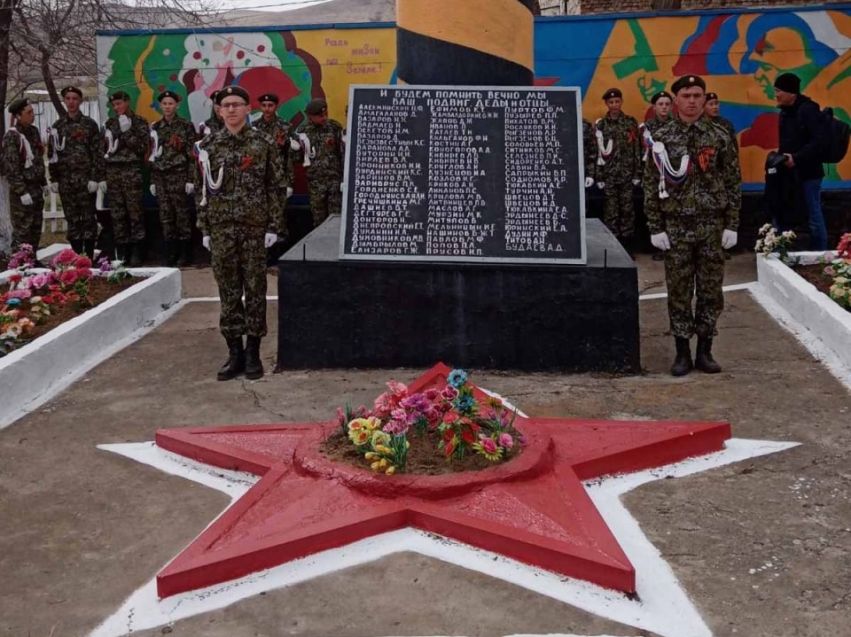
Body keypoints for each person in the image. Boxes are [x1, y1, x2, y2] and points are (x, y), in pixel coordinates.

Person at [643, 75, 741, 376]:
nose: (693, 100)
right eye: (686, 95)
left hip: (712, 227)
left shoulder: (720, 134)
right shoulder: (662, 137)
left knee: (711, 291)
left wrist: (732, 224)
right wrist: (655, 227)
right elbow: (651, 183)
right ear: (676, 100)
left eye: (698, 95)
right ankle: (682, 352)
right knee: (679, 291)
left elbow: (732, 181)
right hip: (676, 228)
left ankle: (705, 350)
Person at [195, 86, 286, 381]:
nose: (232, 110)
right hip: (221, 230)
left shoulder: (263, 143)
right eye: (226, 105)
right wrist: (205, 227)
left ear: (249, 109)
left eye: (237, 104)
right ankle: (234, 352)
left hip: (254, 229)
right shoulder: (207, 146)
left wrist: (274, 226)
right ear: (219, 111)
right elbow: (202, 190)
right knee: (229, 292)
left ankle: (253, 353)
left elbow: (275, 187)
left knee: (255, 291)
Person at [46, 86, 104, 257]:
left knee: (88, 217)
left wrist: (95, 177)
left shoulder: (89, 124)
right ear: (64, 101)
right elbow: (53, 154)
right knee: (72, 219)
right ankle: (77, 255)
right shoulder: (58, 126)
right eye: (68, 98)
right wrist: (54, 177)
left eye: (74, 99)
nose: (71, 102)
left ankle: (88, 254)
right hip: (66, 181)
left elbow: (97, 153)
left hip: (85, 181)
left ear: (81, 101)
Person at [774, 72, 828, 251]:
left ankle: (820, 254)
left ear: (791, 93)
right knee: (784, 214)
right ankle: (781, 250)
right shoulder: (784, 113)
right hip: (789, 175)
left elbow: (819, 142)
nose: (776, 95)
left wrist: (796, 158)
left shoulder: (809, 110)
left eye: (779, 91)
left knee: (814, 216)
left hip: (809, 174)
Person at [103, 90, 150, 266]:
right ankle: (121, 251)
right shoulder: (109, 124)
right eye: (114, 105)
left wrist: (128, 132)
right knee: (118, 214)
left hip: (132, 171)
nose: (117, 108)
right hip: (114, 172)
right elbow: (105, 150)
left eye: (119, 104)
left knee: (135, 212)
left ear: (127, 102)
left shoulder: (139, 122)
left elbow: (141, 149)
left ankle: (138, 251)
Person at [149, 91, 197, 267]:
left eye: (171, 103)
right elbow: (153, 155)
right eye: (164, 104)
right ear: (160, 106)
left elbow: (192, 155)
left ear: (177, 105)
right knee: (166, 215)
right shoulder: (155, 128)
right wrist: (153, 180)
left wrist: (190, 179)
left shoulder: (185, 126)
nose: (168, 107)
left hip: (179, 175)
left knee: (182, 214)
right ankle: (171, 252)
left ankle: (185, 253)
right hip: (161, 177)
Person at [595, 88, 641, 252]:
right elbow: (598, 153)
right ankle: (613, 249)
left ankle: (628, 248)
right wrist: (599, 176)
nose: (614, 105)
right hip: (609, 176)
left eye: (617, 101)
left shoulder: (630, 122)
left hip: (627, 175)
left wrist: (637, 174)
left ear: (621, 102)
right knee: (611, 212)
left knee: (628, 211)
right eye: (611, 102)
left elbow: (636, 149)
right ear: (606, 104)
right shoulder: (601, 125)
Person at [3, 98, 46, 253]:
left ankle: (32, 258)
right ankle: (20, 263)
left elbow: (37, 159)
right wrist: (21, 191)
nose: (32, 115)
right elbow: (11, 167)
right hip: (23, 191)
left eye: (32, 111)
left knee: (35, 226)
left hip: (35, 188)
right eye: (28, 113)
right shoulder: (12, 136)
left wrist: (43, 181)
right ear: (19, 116)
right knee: (23, 228)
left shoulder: (33, 131)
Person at [293, 98, 344, 228]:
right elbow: (298, 158)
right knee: (319, 220)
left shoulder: (334, 127)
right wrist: (294, 149)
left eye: (326, 114)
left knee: (336, 218)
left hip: (334, 181)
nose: (324, 118)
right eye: (320, 116)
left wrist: (344, 177)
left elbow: (342, 153)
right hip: (316, 182)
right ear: (310, 116)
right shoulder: (303, 132)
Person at [252, 92, 294, 237]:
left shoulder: (285, 126)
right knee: (260, 212)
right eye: (264, 105)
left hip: (279, 177)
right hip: (259, 177)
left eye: (270, 105)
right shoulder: (254, 128)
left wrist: (289, 182)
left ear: (276, 106)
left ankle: (280, 249)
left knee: (279, 214)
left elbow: (289, 156)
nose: (267, 109)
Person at [642, 91, 674, 261]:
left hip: (672, 176)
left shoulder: (677, 126)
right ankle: (659, 246)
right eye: (660, 104)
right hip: (653, 176)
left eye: (667, 104)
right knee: (654, 208)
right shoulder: (647, 128)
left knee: (672, 210)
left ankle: (672, 246)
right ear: (654, 107)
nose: (664, 107)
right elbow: (642, 154)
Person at [582, 118, 598, 189]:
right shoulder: (554, 123)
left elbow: (591, 152)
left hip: (581, 174)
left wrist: (590, 175)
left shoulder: (585, 125)